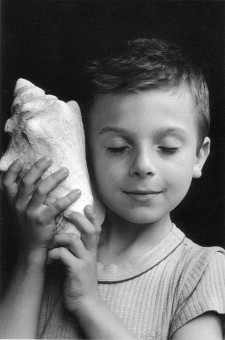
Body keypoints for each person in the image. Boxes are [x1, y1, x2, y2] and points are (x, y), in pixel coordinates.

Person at [0, 38, 225, 340]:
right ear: (86, 153)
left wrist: (88, 302)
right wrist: (32, 255)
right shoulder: (54, 257)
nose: (143, 165)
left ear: (199, 156)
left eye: (167, 148)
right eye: (118, 148)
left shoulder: (201, 271)